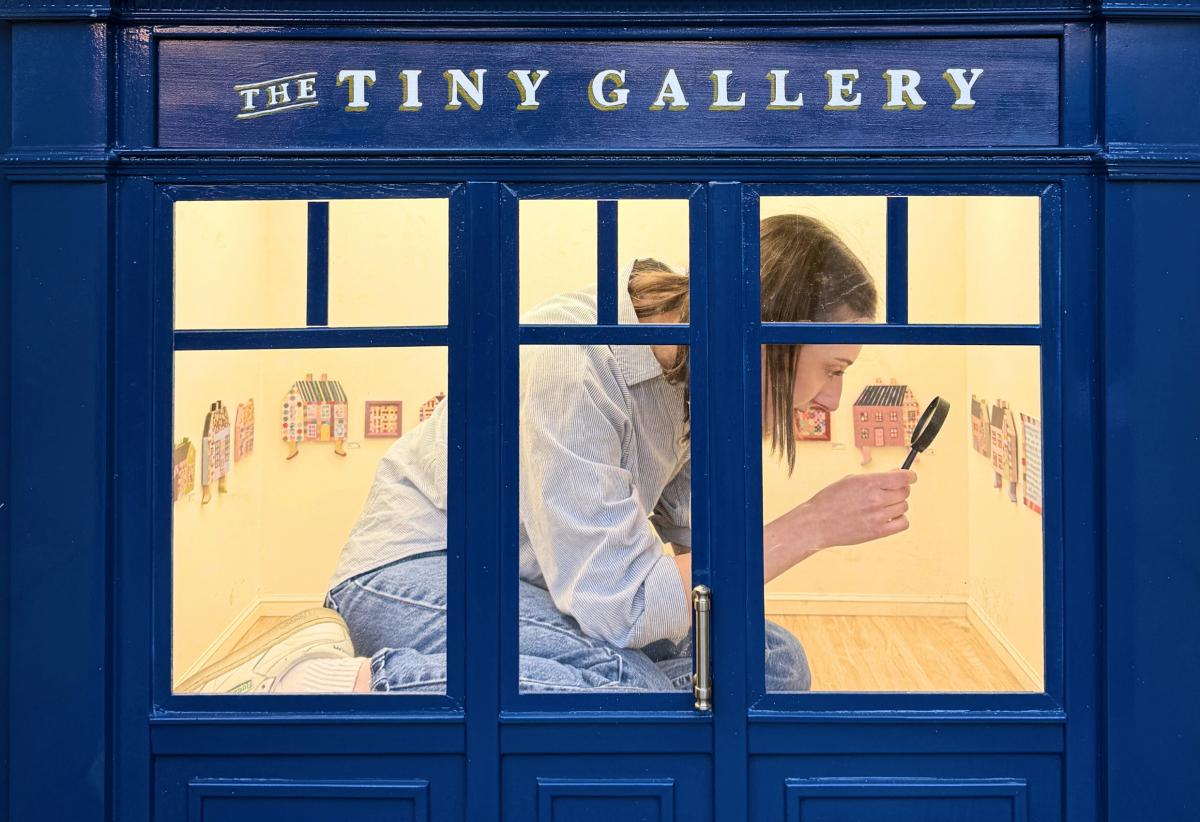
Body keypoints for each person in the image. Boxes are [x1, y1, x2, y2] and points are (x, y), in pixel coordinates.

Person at [184, 216, 917, 697]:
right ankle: (314, 681)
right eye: (834, 371)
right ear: (772, 340)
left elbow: (699, 569)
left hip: (548, 590)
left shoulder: (695, 376)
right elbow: (629, 603)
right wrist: (811, 527)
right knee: (631, 693)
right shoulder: (575, 355)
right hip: (417, 574)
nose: (831, 402)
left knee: (770, 665)